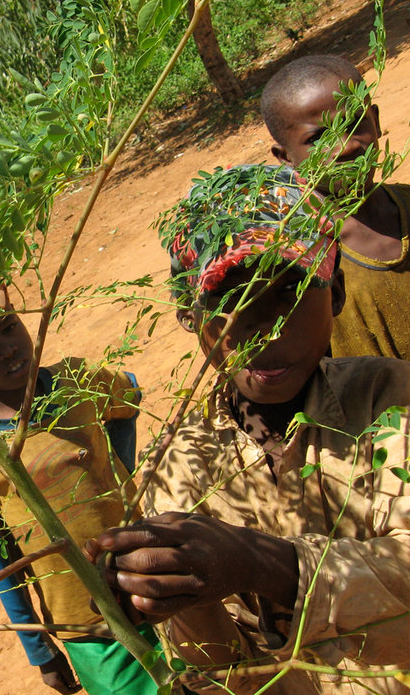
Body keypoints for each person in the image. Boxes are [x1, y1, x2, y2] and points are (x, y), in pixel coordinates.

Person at [88, 165, 410, 694]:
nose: (261, 325)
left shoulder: (391, 399)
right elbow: (219, 675)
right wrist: (166, 600)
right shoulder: (179, 468)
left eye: (287, 290)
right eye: (228, 298)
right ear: (190, 318)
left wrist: (262, 565)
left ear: (335, 293)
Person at [0, 285, 159, 695]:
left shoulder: (77, 379)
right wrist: (38, 648)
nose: (5, 349)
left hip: (154, 576)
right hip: (84, 621)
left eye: (8, 328)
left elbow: (129, 394)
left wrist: (120, 467)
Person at [261, 53, 410, 358]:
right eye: (319, 137)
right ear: (286, 157)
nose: (349, 145)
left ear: (377, 121)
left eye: (356, 122)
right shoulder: (295, 261)